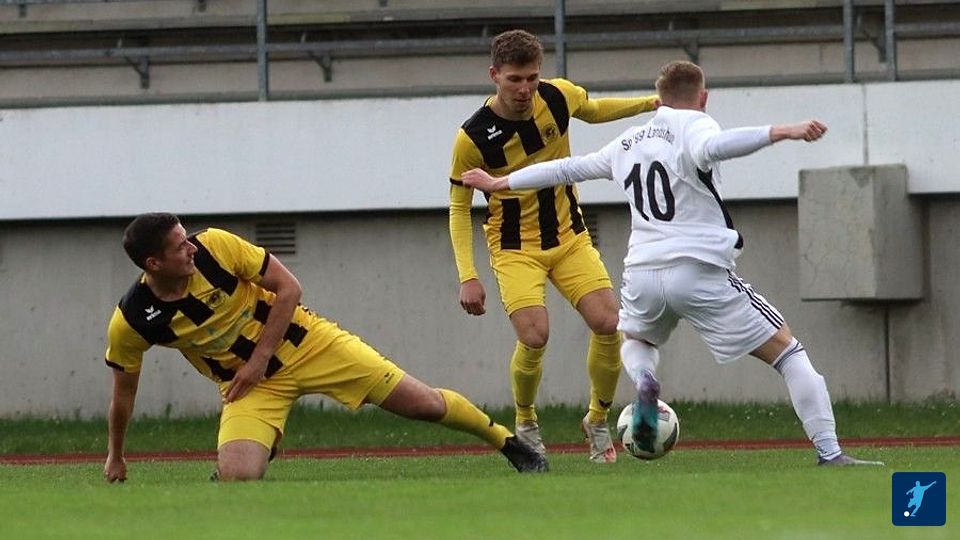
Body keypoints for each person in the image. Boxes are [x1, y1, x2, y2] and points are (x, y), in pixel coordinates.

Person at [461, 60, 884, 466]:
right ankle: (830, 452)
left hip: (643, 273)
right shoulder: (698, 125)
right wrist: (782, 131)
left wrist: (501, 181)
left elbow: (567, 168)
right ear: (704, 98)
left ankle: (645, 380)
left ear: (658, 99)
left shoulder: (629, 141)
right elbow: (716, 146)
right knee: (789, 353)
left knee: (636, 341)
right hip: (698, 269)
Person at [103, 213, 548, 482]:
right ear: (153, 263)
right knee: (238, 477)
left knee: (424, 404)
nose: (191, 248)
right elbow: (123, 393)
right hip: (252, 387)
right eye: (179, 246)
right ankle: (258, 442)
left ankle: (507, 442)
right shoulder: (133, 318)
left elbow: (289, 289)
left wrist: (258, 359)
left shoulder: (215, 246)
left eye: (187, 237)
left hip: (310, 344)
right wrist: (116, 456)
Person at [447, 29, 659, 463]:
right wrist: (468, 274)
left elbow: (593, 110)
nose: (525, 89)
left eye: (532, 78)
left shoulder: (557, 95)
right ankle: (526, 422)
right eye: (514, 79)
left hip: (568, 237)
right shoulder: (472, 137)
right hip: (514, 247)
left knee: (609, 323)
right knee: (535, 335)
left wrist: (650, 104)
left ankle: (597, 420)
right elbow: (458, 206)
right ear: (494, 75)